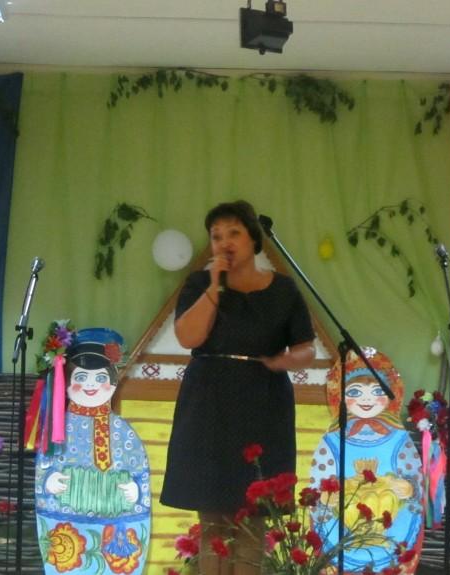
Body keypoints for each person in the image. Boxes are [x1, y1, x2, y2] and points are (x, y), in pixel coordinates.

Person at [161, 200, 316, 575]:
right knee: (212, 520)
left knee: (253, 519)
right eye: (216, 236)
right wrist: (215, 285)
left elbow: (306, 347)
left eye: (234, 233)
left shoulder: (283, 289)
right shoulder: (199, 283)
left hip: (263, 405)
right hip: (208, 405)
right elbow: (188, 337)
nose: (224, 242)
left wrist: (287, 361)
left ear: (253, 239)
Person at [31, 328, 151, 575]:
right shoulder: (57, 427)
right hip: (64, 521)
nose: (90, 385)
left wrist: (137, 490)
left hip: (118, 523)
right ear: (66, 382)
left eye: (100, 378)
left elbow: (139, 469)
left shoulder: (124, 431)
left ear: (113, 382)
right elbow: (44, 466)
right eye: (81, 377)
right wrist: (48, 482)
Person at [309, 347, 426, 575]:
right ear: (340, 396)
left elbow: (413, 474)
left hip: (390, 525)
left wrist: (409, 487)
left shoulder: (399, 438)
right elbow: (318, 478)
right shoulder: (332, 440)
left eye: (376, 391)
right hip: (342, 526)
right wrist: (324, 495)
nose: (366, 399)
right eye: (355, 392)